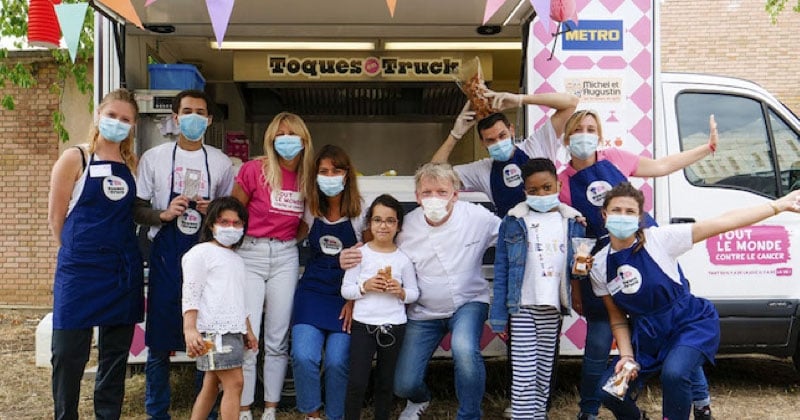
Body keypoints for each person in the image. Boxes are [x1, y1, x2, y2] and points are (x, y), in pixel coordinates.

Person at [558, 110, 719, 420]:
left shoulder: (615, 157)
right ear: (566, 138)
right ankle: (589, 410)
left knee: (676, 331)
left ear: (600, 134)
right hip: (604, 269)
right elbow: (572, 238)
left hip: (645, 255)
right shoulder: (562, 181)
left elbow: (661, 166)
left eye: (591, 128)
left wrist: (705, 149)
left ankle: (701, 402)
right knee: (599, 343)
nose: (585, 134)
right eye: (578, 129)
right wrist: (576, 283)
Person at [591, 182, 800, 419]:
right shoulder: (598, 264)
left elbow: (722, 223)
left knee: (675, 374)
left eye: (630, 212)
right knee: (608, 392)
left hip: (688, 323)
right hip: (647, 335)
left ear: (640, 218)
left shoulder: (659, 239)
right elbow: (617, 318)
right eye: (617, 210)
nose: (622, 216)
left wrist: (777, 206)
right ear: (604, 214)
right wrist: (627, 357)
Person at [340, 162, 499, 420]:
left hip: (468, 302)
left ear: (455, 195)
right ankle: (420, 397)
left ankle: (469, 414)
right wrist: (350, 263)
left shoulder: (477, 217)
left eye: (441, 192)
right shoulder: (407, 227)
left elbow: (512, 232)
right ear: (416, 197)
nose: (434, 199)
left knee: (464, 349)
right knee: (403, 382)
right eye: (427, 193)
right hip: (423, 312)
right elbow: (375, 248)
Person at [135, 89, 235, 420]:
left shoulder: (221, 162)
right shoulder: (154, 157)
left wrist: (214, 210)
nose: (193, 117)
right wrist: (162, 214)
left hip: (207, 257)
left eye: (200, 112)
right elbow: (137, 209)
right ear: (176, 118)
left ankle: (202, 412)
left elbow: (230, 216)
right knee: (160, 341)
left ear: (208, 119)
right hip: (166, 256)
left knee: (204, 337)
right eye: (187, 111)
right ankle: (156, 412)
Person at [47, 88, 144, 420]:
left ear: (133, 126)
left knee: (115, 358)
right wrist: (80, 254)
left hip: (121, 272)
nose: (117, 122)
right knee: (67, 355)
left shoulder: (132, 165)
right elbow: (56, 219)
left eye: (125, 119)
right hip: (80, 272)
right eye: (112, 115)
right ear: (98, 116)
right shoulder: (76, 158)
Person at [490, 158, 587, 419]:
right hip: (522, 307)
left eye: (547, 187)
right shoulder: (513, 221)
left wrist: (581, 264)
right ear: (524, 191)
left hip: (553, 308)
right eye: (533, 190)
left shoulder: (572, 221)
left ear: (558, 184)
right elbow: (502, 269)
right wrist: (499, 316)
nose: (541, 194)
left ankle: (537, 415)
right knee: (523, 374)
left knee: (544, 373)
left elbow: (578, 268)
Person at [233, 112, 315, 420]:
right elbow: (234, 211)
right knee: (249, 336)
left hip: (285, 256)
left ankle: (270, 408)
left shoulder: (308, 176)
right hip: (250, 253)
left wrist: (286, 243)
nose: (286, 140)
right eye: (280, 135)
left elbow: (305, 224)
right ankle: (243, 409)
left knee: (278, 339)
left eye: (292, 134)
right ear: (270, 139)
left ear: (304, 140)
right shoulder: (255, 170)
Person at [290, 145, 363, 420]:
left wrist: (353, 300)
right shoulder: (310, 208)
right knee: (304, 356)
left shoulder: (360, 212)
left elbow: (370, 259)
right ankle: (312, 414)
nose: (330, 176)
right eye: (323, 171)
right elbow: (287, 236)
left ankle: (335, 416)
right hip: (312, 292)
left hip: (344, 295)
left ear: (347, 174)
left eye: (336, 170)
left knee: (336, 361)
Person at [431, 90, 579, 216]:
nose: (498, 143)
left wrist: (520, 99)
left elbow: (570, 103)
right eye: (491, 140)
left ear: (511, 130)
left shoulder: (537, 145)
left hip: (550, 231)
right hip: (511, 240)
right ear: (483, 143)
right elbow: (433, 175)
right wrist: (456, 134)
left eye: (502, 136)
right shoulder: (482, 170)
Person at [341, 194, 420, 420]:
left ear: (398, 225)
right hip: (363, 325)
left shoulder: (403, 260)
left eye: (390, 220)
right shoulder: (360, 255)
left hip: (393, 326)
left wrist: (400, 291)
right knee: (357, 381)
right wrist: (364, 287)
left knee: (386, 383)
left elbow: (414, 294)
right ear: (369, 223)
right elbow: (346, 290)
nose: (383, 226)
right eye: (377, 220)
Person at [183, 197, 258, 420]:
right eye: (224, 222)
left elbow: (238, 299)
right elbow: (191, 293)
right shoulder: (200, 253)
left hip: (232, 331)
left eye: (236, 223)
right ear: (211, 224)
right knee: (235, 383)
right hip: (214, 332)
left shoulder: (236, 259)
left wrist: (248, 330)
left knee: (212, 385)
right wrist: (190, 329)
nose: (231, 228)